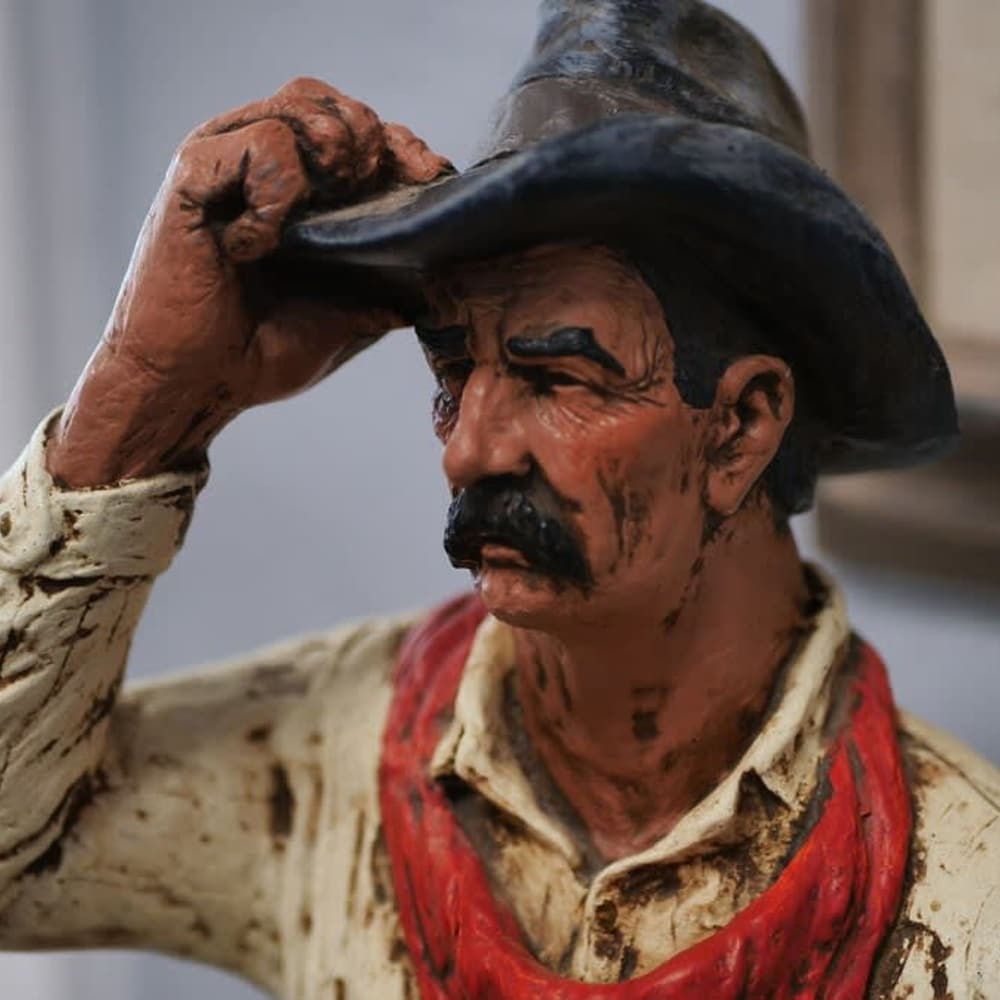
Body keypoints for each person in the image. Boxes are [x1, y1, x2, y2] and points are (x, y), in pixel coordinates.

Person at [0, 1, 997, 997]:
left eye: (556, 377)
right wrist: (140, 400)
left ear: (739, 425)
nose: (467, 451)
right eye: (452, 371)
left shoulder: (965, 898)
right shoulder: (331, 754)